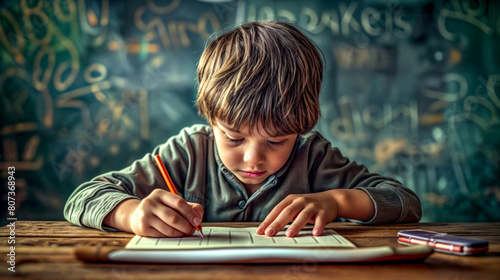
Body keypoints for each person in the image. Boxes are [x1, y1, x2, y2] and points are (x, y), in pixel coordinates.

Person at [64, 21, 421, 238]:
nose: (253, 157)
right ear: (210, 119)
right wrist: (132, 214)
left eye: (276, 140)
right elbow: (82, 198)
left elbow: (405, 202)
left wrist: (337, 200)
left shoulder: (313, 157)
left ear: (301, 127)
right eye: (233, 137)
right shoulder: (188, 152)